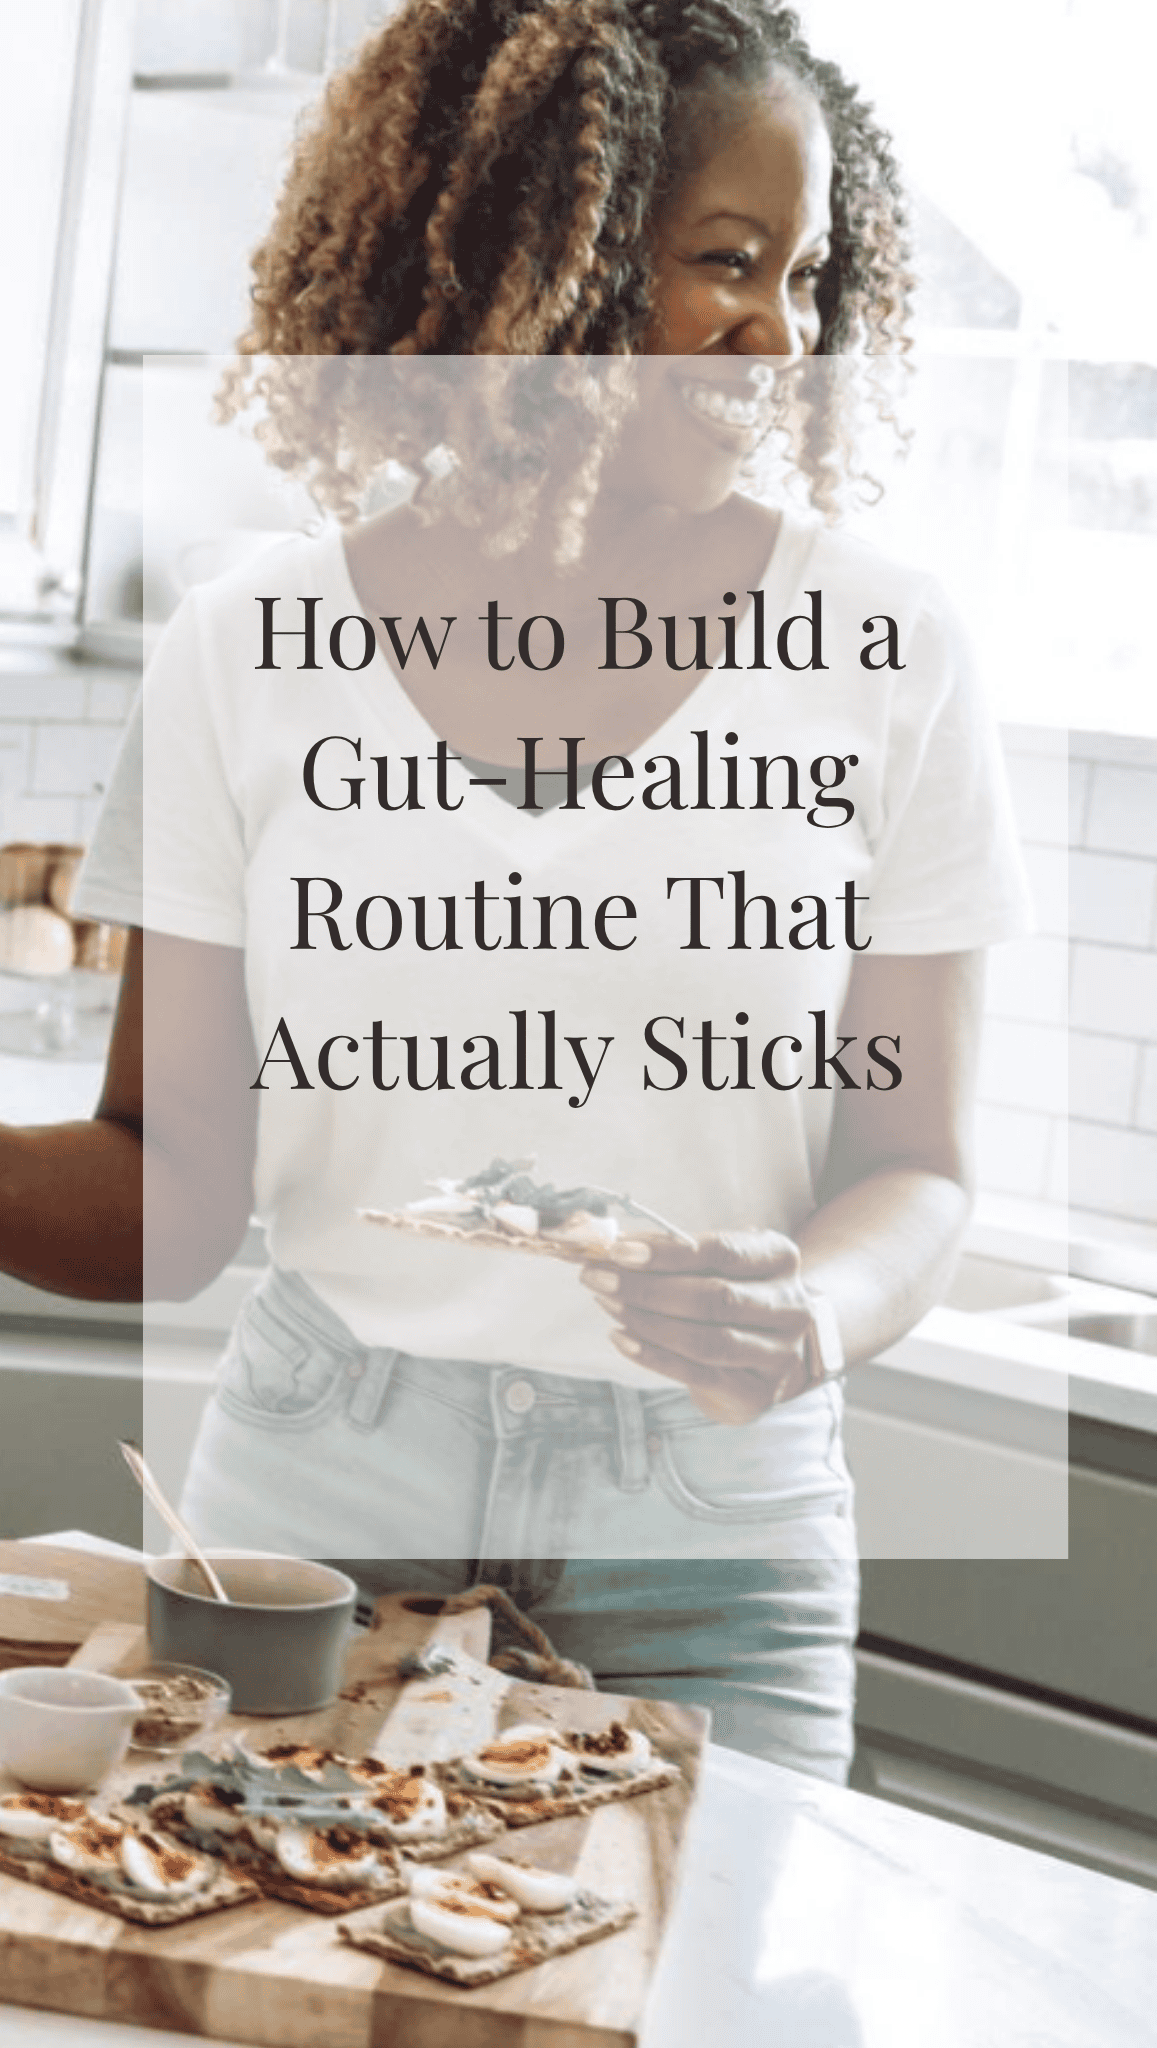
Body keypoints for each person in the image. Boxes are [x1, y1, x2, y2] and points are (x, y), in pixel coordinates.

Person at [2, 0, 1029, 1785]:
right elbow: (170, 1190)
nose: (783, 337)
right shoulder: (250, 648)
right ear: (526, 270)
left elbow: (918, 1168)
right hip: (316, 1511)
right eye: (728, 264)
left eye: (809, 278)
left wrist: (807, 1309)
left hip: (712, 1543)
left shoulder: (887, 650)